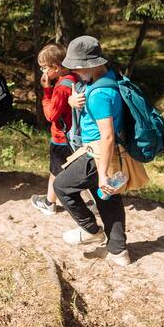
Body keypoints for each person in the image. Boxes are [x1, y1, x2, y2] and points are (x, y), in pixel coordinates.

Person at [53, 35, 130, 265]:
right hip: (112, 150)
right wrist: (72, 102)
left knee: (62, 186)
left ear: (92, 64)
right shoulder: (109, 78)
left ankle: (90, 230)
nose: (75, 72)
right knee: (107, 198)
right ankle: (119, 251)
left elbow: (106, 135)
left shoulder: (99, 95)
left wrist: (103, 172)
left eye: (77, 67)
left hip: (97, 153)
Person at [30, 42, 78, 216]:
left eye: (44, 68)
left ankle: (49, 203)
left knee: (55, 170)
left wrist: (47, 92)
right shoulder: (74, 78)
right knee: (74, 170)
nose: (43, 72)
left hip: (61, 137)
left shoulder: (61, 88)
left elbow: (51, 115)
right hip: (74, 136)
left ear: (56, 67)